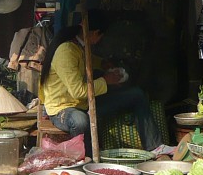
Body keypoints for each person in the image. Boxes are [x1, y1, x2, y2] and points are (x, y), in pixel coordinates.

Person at [39, 20, 165, 156]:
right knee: (80, 121)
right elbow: (78, 91)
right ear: (95, 33)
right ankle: (85, 159)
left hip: (84, 104)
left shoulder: (79, 47)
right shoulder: (66, 51)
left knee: (136, 94)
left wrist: (103, 64)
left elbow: (89, 59)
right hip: (62, 109)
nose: (99, 41)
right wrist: (106, 81)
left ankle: (154, 147)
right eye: (100, 37)